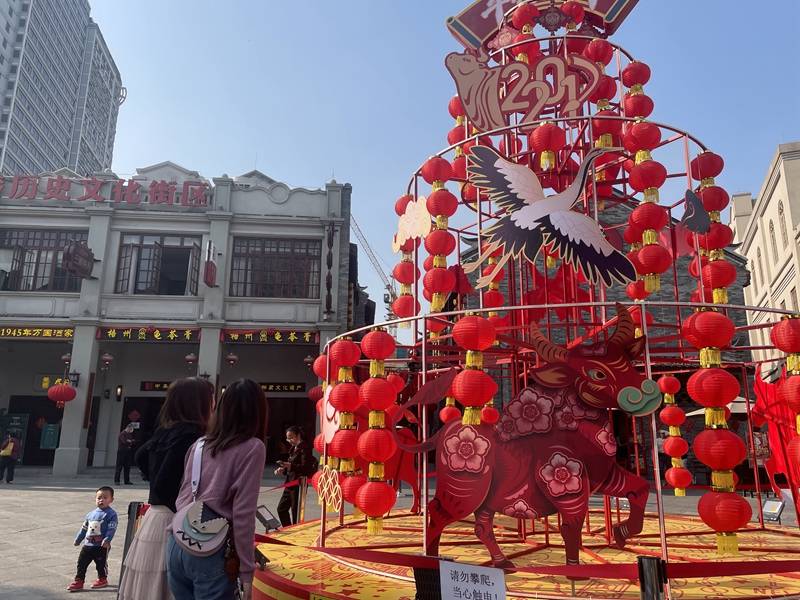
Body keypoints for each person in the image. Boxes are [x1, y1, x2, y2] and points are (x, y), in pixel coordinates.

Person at [167, 379, 267, 600]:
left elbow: (184, 495)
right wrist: (247, 571)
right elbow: (243, 514)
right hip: (212, 550)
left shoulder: (199, 444)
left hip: (177, 543)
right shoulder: (253, 448)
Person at [118, 377, 215, 600]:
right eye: (210, 397)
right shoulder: (193, 434)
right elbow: (165, 483)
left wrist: (152, 478)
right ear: (198, 401)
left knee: (150, 588)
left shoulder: (165, 430)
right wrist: (184, 510)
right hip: (175, 522)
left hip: (154, 516)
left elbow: (141, 455)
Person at [67, 486, 118, 591]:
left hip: (101, 545)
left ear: (111, 500)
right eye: (99, 498)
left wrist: (107, 539)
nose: (101, 500)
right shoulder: (90, 514)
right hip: (88, 544)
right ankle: (79, 580)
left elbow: (111, 529)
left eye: (105, 497)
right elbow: (84, 529)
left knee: (101, 563)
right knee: (81, 562)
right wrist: (78, 539)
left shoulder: (111, 514)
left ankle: (102, 578)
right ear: (95, 499)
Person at [275, 425, 317, 527]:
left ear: (298, 436)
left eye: (291, 438)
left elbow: (305, 467)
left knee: (296, 513)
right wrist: (284, 469)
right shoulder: (293, 448)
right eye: (288, 439)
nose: (290, 441)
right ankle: (288, 528)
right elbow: (293, 466)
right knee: (281, 509)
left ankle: (296, 531)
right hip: (289, 483)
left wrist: (290, 465)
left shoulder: (305, 448)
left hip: (298, 485)